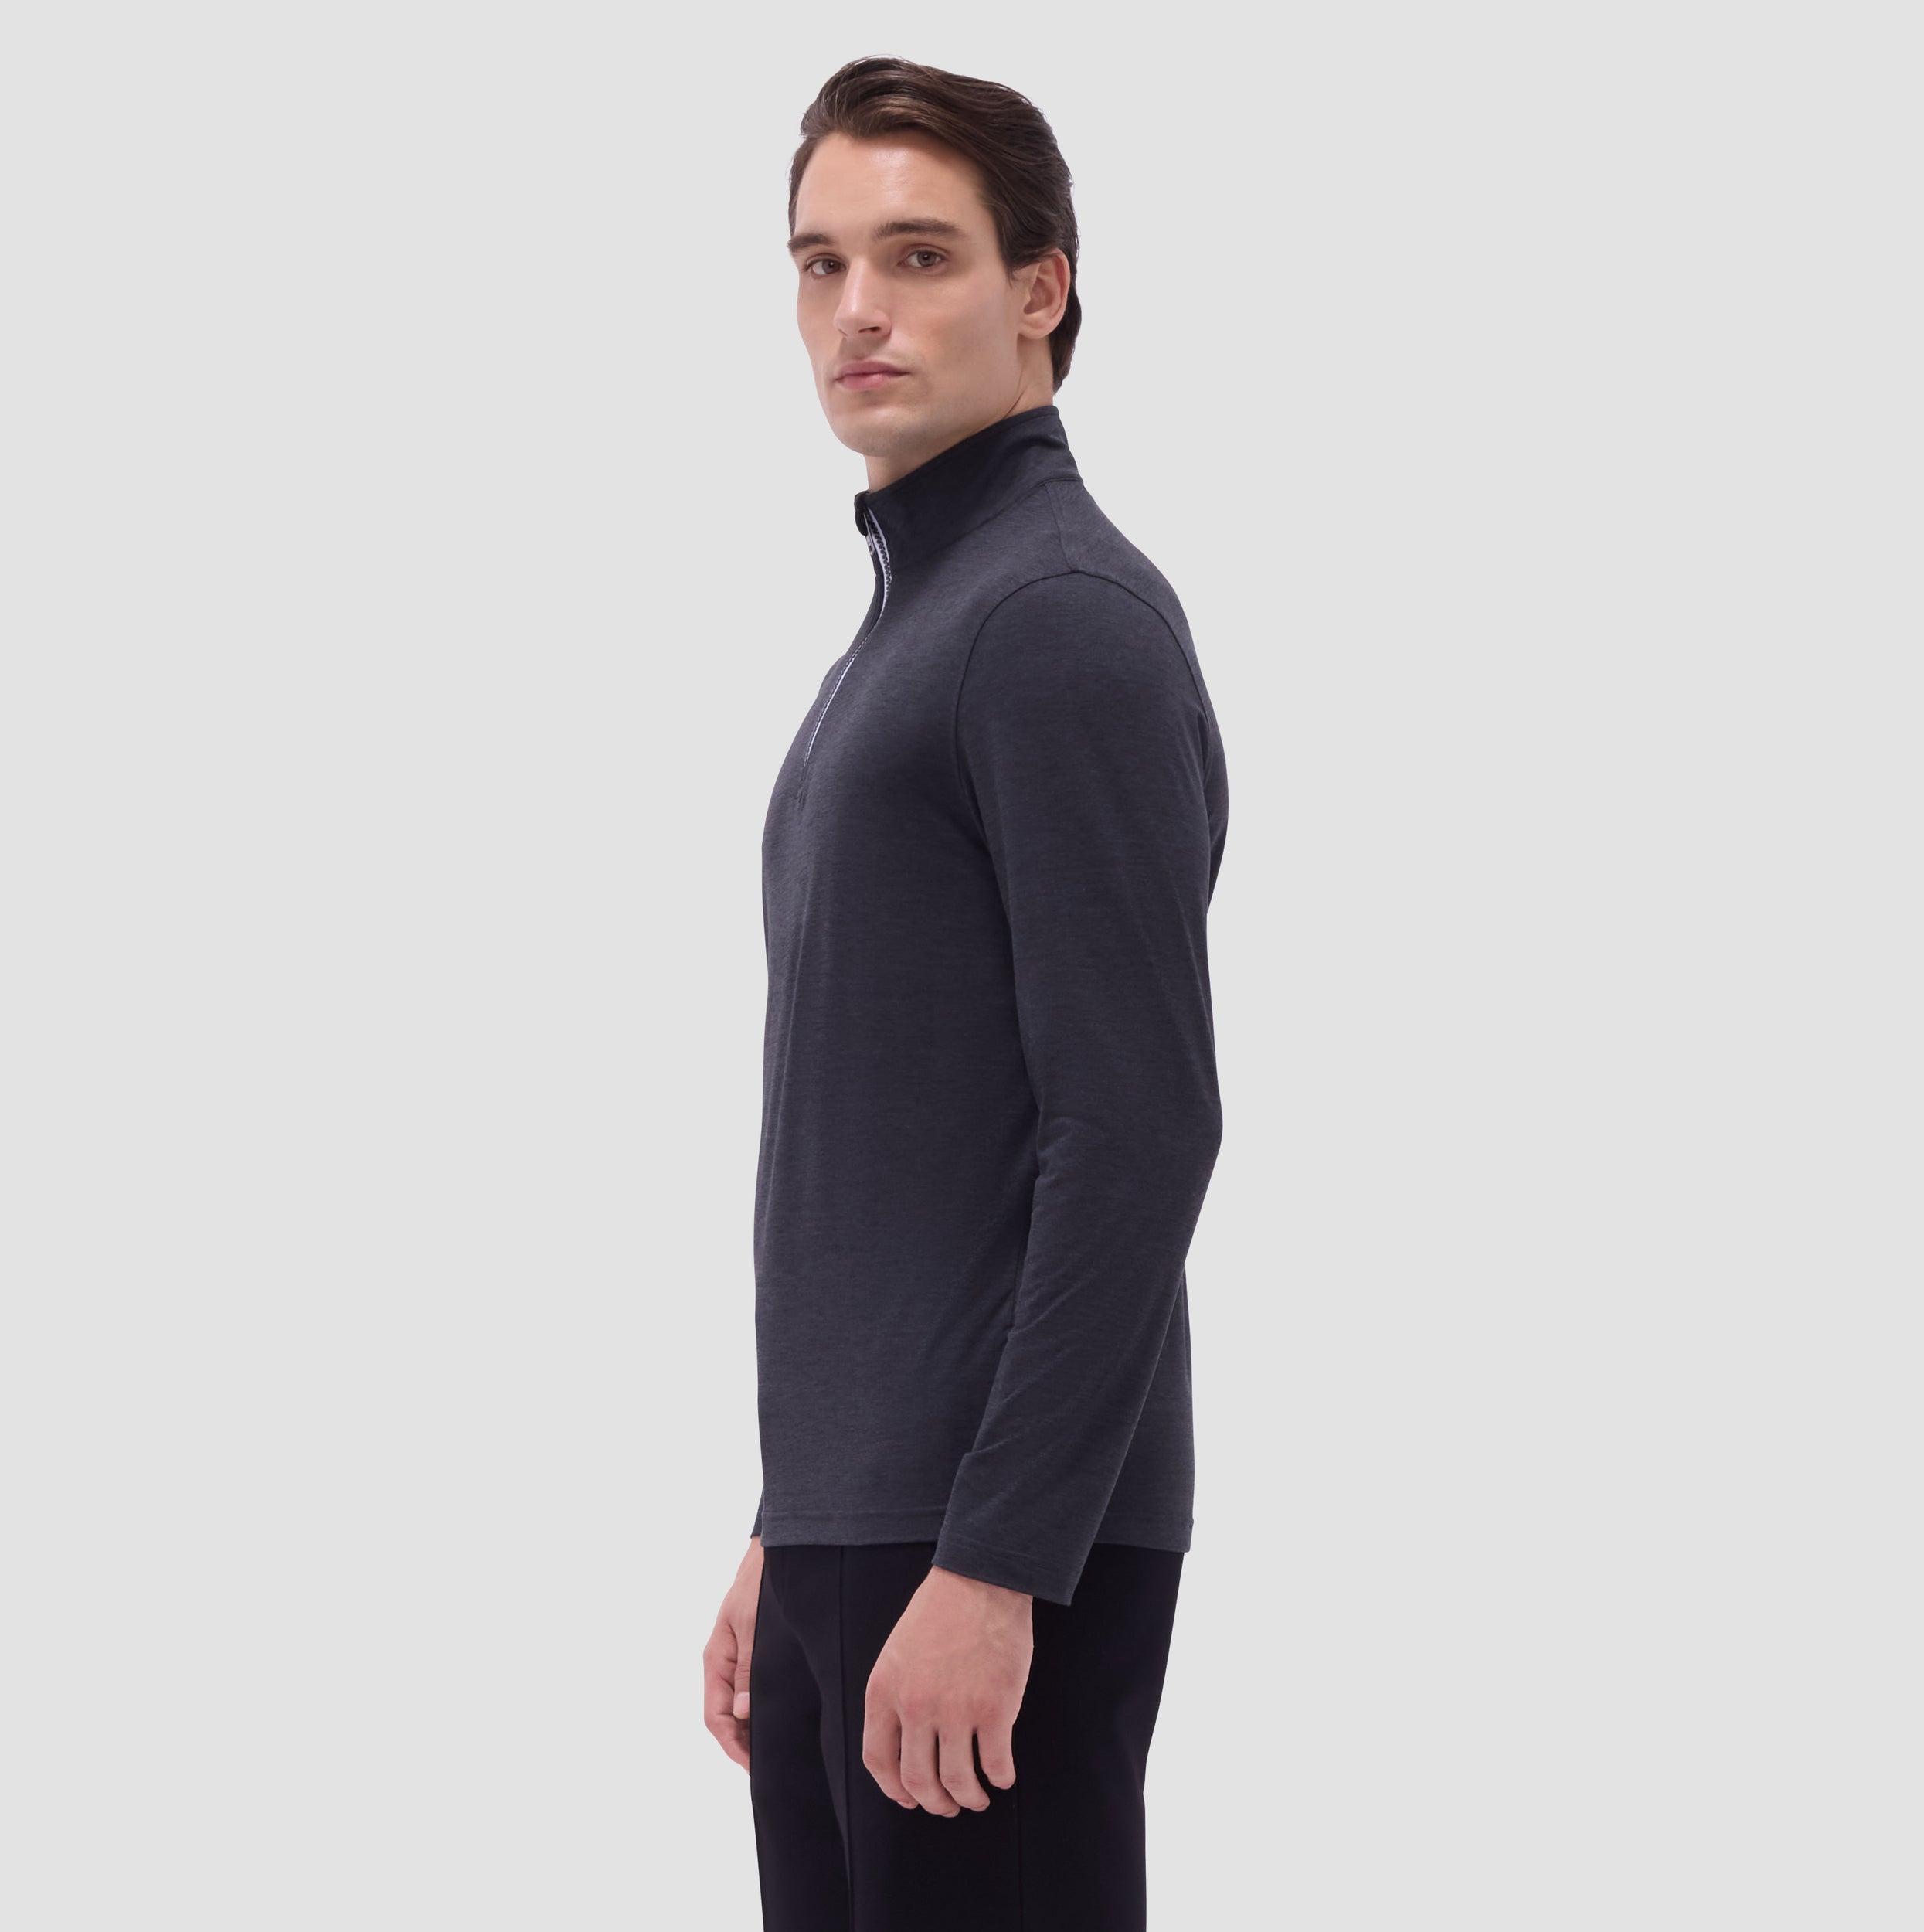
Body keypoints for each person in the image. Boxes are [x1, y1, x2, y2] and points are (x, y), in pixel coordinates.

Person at [702, 56, 1230, 1930]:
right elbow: (897, 1138)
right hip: (865, 1523)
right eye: (819, 261)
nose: (857, 307)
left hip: (990, 1540)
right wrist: (790, 1517)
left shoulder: (1052, 621)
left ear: (1038, 289)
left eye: (917, 255)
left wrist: (996, 1558)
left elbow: (1137, 1125)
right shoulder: (911, 633)